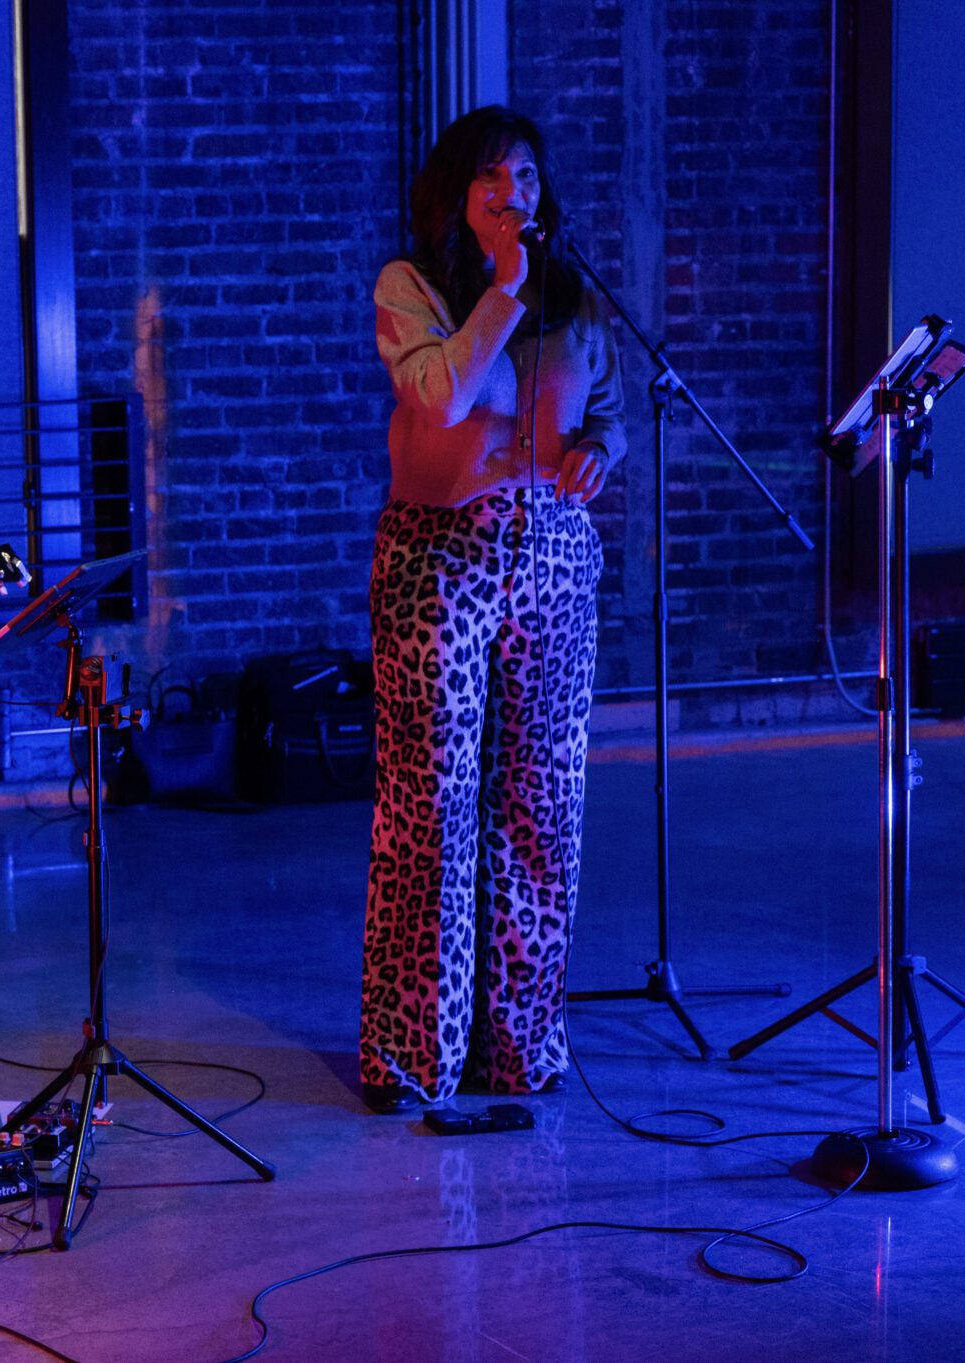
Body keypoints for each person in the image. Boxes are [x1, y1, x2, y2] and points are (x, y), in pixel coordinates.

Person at [359, 106, 625, 1113]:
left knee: (539, 810)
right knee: (430, 810)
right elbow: (438, 396)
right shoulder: (410, 287)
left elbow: (603, 410)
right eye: (488, 180)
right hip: (439, 561)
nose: (510, 193)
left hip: (552, 560)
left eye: (523, 176)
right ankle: (411, 1050)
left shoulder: (576, 296)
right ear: (454, 197)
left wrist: (599, 447)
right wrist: (505, 290)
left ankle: (520, 1046)